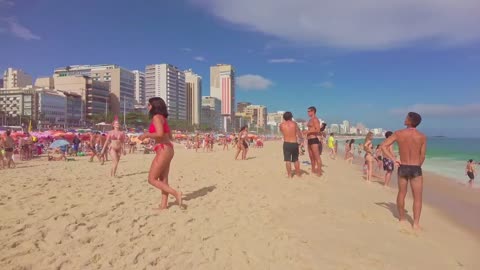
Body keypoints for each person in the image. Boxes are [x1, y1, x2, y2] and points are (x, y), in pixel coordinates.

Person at [381, 112, 426, 231]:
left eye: (407, 117)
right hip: (415, 167)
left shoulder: (399, 133)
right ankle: (415, 224)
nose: (405, 119)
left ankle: (401, 218)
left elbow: (383, 146)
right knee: (418, 198)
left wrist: (394, 159)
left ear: (411, 121)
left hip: (403, 166)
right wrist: (417, 166)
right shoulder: (421, 136)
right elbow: (422, 156)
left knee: (402, 193)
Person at [138, 97, 182, 210]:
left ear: (154, 106)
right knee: (163, 179)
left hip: (163, 149)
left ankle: (176, 193)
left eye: (149, 105)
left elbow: (160, 133)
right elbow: (170, 136)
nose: (148, 107)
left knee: (151, 179)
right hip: (168, 149)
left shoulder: (156, 117)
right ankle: (163, 205)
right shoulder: (163, 118)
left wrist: (146, 135)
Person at [279, 111, 303, 178]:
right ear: (291, 117)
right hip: (294, 143)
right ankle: (298, 174)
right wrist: (301, 141)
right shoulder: (294, 124)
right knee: (296, 159)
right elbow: (299, 134)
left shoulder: (281, 125)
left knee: (287, 160)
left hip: (286, 143)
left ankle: (289, 175)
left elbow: (282, 131)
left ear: (284, 117)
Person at [306, 106, 322, 176]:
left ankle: (319, 172)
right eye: (308, 111)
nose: (308, 113)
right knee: (311, 157)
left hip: (314, 139)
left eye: (309, 111)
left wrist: (308, 131)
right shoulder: (310, 120)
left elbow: (318, 130)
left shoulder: (315, 119)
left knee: (317, 157)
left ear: (313, 111)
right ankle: (313, 170)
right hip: (309, 140)